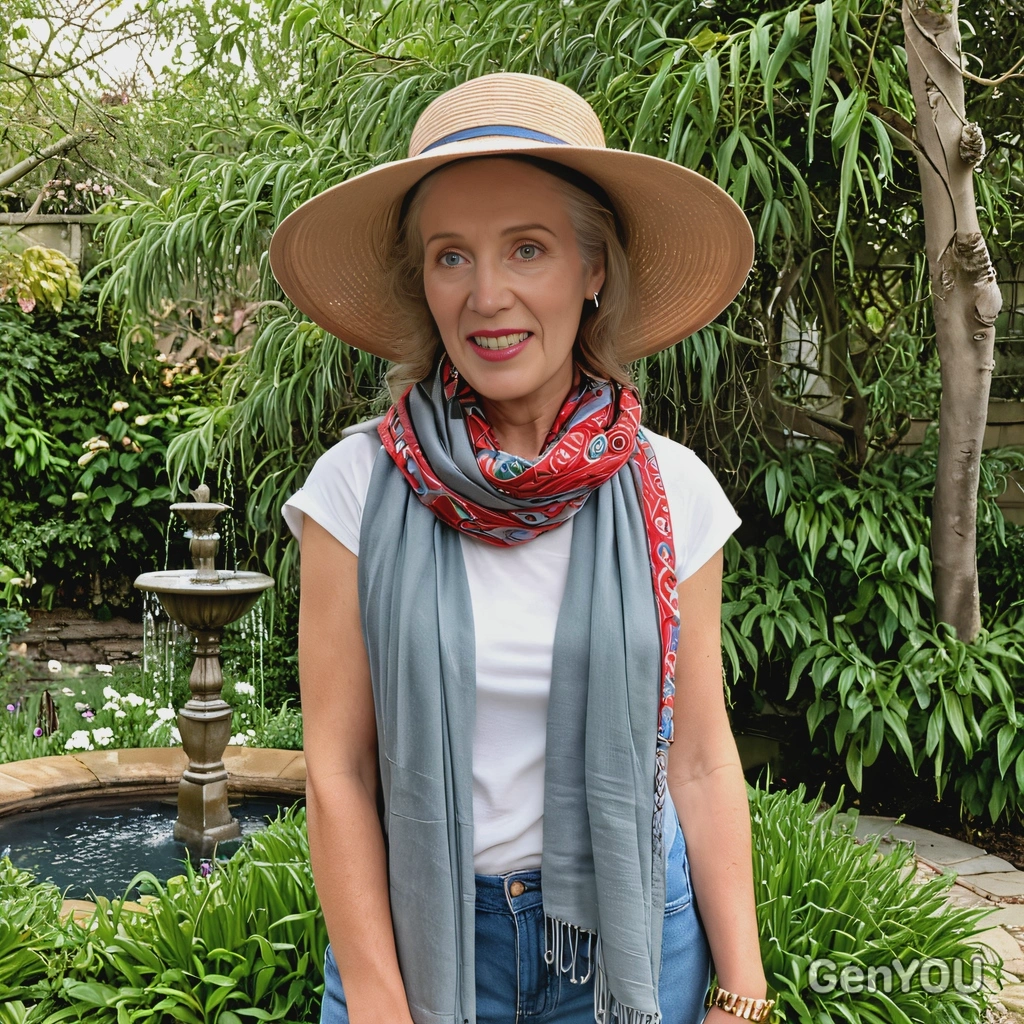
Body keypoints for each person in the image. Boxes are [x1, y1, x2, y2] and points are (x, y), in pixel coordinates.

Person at [272, 72, 772, 1024]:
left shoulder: (672, 489)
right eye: (449, 256)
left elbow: (702, 758)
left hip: (628, 933)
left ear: (593, 271)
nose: (486, 294)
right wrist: (378, 998)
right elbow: (336, 767)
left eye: (527, 248)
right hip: (424, 936)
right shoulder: (357, 487)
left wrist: (743, 992)